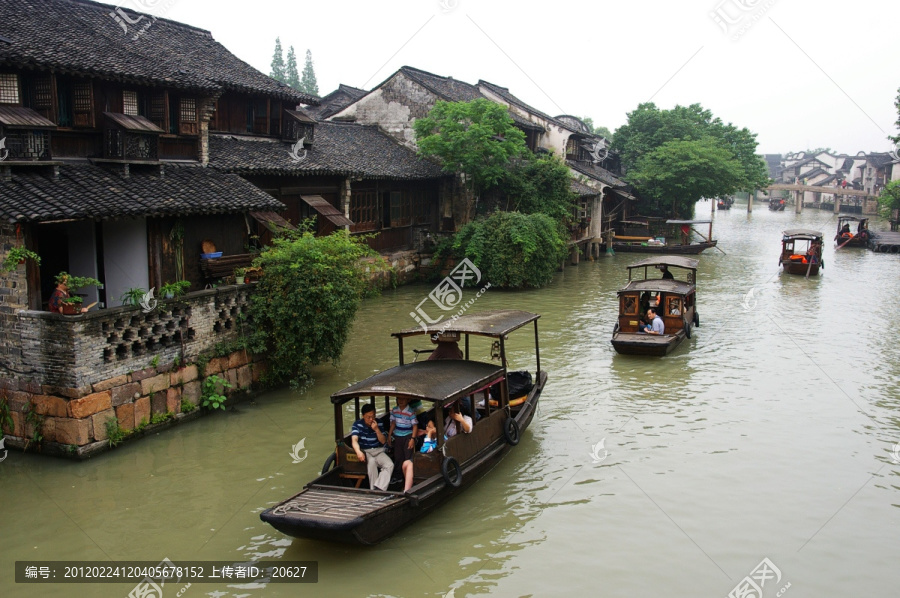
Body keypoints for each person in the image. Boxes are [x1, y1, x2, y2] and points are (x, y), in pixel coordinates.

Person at [351, 404, 393, 491]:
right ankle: (373, 490)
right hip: (366, 451)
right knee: (371, 463)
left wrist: (377, 429)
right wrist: (358, 452)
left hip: (378, 450)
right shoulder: (357, 424)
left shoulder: (379, 422)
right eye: (368, 417)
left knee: (389, 465)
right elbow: (354, 440)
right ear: (363, 416)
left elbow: (383, 441)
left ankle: (379, 488)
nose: (371, 419)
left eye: (373, 416)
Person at [388, 396, 418, 491]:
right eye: (399, 399)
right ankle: (398, 477)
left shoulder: (411, 411)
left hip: (408, 436)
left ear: (408, 400)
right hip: (397, 436)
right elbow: (393, 423)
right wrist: (389, 435)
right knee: (398, 457)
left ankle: (408, 479)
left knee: (408, 456)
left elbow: (415, 426)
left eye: (403, 399)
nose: (400, 401)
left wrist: (412, 438)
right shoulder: (394, 410)